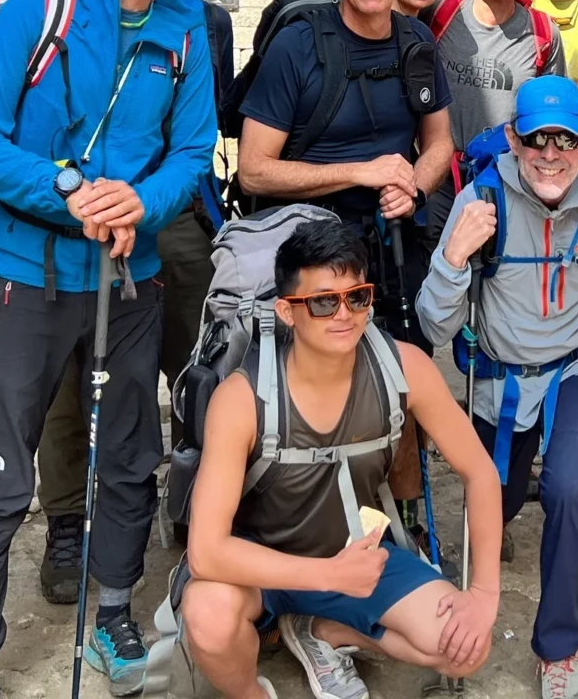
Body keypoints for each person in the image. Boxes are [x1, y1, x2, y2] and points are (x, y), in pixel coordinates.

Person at [0, 0, 219, 699]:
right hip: (23, 279)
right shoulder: (41, 9)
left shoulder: (186, 30)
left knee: (129, 458)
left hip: (125, 278)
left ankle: (111, 612)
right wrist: (71, 191)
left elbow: (191, 151)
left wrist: (138, 201)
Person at [178, 219, 503, 699]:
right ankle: (251, 693)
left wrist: (483, 594)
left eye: (358, 297)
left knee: (465, 648)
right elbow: (207, 552)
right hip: (260, 564)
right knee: (207, 614)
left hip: (355, 555)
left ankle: (321, 630)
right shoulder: (242, 398)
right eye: (324, 301)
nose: (344, 314)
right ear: (287, 311)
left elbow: (479, 472)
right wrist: (326, 575)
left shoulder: (404, 366)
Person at [416, 76, 578, 699]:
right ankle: (469, 618)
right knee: (490, 498)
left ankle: (559, 650)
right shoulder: (481, 200)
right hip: (498, 378)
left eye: (565, 139)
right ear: (513, 141)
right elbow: (434, 323)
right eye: (535, 139)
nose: (550, 154)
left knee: (568, 488)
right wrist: (451, 261)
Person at [36, 0, 240, 601]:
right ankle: (68, 517)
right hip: (87, 213)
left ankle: (191, 503)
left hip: (178, 217)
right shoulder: (75, 13)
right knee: (73, 370)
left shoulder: (205, 24)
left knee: (192, 367)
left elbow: (206, 129)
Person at [237, 0, 456, 514]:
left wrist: (412, 181)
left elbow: (440, 142)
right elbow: (254, 168)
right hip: (306, 239)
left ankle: (404, 514)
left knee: (402, 374)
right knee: (311, 383)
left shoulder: (416, 42)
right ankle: (302, 510)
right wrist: (360, 172)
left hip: (389, 236)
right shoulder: (299, 45)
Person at [426, 0, 567, 230]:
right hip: (439, 176)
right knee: (435, 262)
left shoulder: (542, 33)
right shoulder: (440, 15)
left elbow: (554, 112)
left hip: (508, 175)